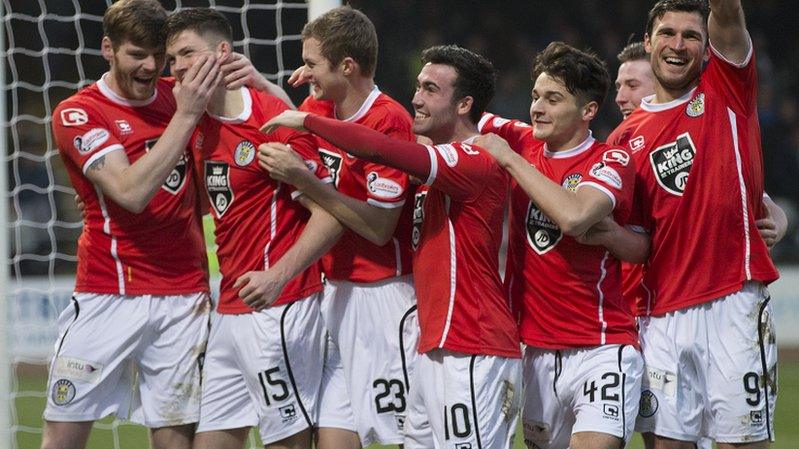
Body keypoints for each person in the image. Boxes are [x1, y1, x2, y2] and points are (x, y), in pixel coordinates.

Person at [260, 44, 522, 449]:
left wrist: (308, 119)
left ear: (465, 103)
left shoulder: (471, 160)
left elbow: (379, 146)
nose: (416, 98)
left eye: (431, 89)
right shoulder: (438, 165)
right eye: (418, 86)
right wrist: (313, 85)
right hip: (437, 344)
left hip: (474, 345)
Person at [163, 9, 343, 449]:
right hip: (229, 310)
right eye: (172, 60)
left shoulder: (274, 121)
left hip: (280, 307)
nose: (178, 68)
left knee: (289, 442)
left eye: (187, 53)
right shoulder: (191, 119)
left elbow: (331, 214)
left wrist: (277, 275)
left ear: (224, 52)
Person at [45, 1, 219, 448]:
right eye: (136, 54)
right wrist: (186, 116)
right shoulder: (79, 112)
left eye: (158, 56)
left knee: (174, 438)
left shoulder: (180, 96)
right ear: (108, 48)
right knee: (62, 437)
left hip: (183, 296)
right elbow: (130, 193)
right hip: (108, 292)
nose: (150, 67)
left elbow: (204, 193)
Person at [606, 1, 780, 447]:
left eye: (691, 36)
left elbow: (726, 11)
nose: (677, 45)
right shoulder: (625, 138)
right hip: (659, 314)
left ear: (707, 50)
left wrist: (769, 209)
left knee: (741, 442)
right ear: (648, 43)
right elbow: (638, 238)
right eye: (667, 33)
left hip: (731, 302)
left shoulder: (726, 87)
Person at [255, 6, 419, 449]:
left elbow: (380, 227)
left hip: (385, 299)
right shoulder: (315, 107)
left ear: (347, 66)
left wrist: (305, 182)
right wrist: (263, 85)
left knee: (400, 438)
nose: (304, 73)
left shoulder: (390, 122)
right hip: (334, 295)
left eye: (311, 63)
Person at [477, 41, 643, 449]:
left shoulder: (610, 161)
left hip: (602, 350)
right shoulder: (521, 139)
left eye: (553, 99)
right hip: (534, 352)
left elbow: (573, 216)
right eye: (536, 96)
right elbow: (452, 115)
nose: (537, 108)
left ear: (587, 111)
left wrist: (511, 160)